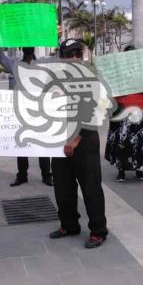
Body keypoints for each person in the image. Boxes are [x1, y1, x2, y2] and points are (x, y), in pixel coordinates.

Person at [49, 38, 109, 249]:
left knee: (90, 187)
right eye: (68, 54)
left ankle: (98, 231)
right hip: (58, 140)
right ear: (61, 57)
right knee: (63, 188)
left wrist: (74, 141)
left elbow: (95, 112)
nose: (73, 58)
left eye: (76, 53)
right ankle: (69, 224)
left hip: (84, 141)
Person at [0, 43, 53, 187]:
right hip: (21, 112)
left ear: (33, 48)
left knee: (42, 144)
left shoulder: (42, 63)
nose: (28, 48)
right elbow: (0, 57)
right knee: (21, 144)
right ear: (22, 49)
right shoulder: (14, 64)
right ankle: (22, 175)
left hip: (39, 111)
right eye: (26, 46)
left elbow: (59, 59)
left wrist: (58, 38)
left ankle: (47, 175)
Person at [105, 45, 143, 182]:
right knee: (122, 141)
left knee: (142, 142)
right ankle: (121, 170)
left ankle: (140, 170)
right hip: (123, 111)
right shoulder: (117, 73)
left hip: (142, 110)